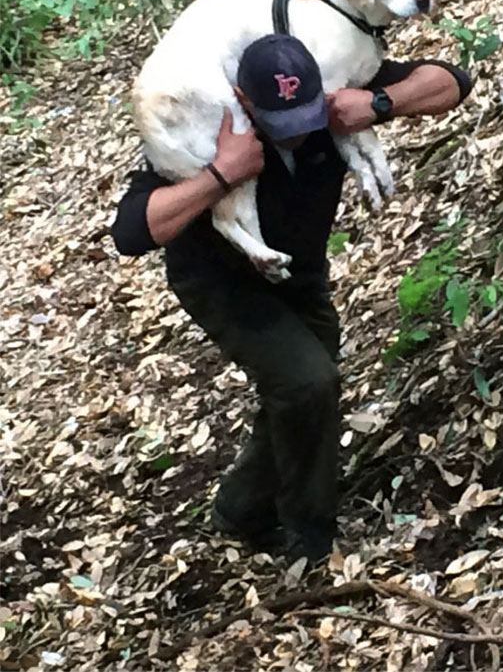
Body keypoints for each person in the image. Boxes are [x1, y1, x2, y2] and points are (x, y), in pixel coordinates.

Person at [111, 34, 471, 563]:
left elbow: (452, 82)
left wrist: (378, 103)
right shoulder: (209, 128)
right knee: (307, 382)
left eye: (306, 117)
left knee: (306, 389)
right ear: (244, 100)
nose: (300, 135)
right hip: (221, 282)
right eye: (282, 124)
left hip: (298, 274)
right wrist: (221, 174)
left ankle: (241, 508)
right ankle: (310, 537)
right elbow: (131, 232)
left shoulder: (331, 97)